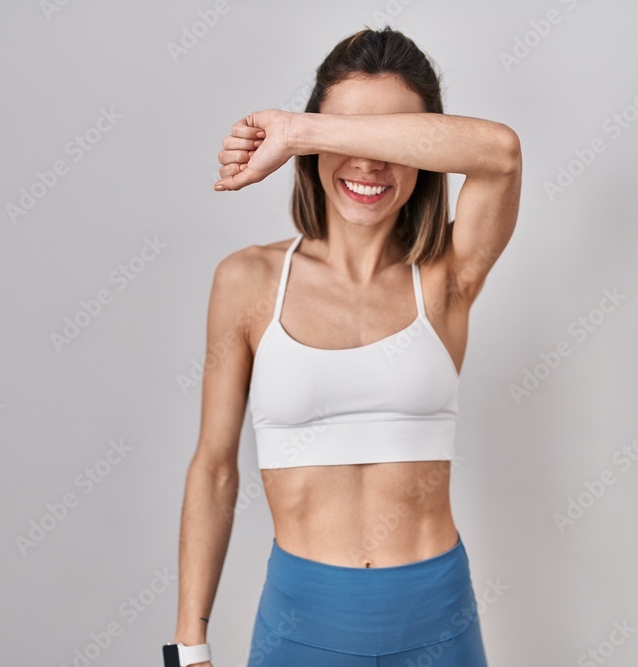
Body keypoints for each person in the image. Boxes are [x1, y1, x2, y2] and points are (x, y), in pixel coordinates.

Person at [170, 26, 521, 667]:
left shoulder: (446, 277)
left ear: (423, 148)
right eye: (344, 136)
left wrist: (304, 131)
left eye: (388, 138)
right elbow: (214, 469)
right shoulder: (247, 281)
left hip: (436, 619)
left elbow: (499, 152)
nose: (365, 163)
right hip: (301, 625)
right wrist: (187, 650)